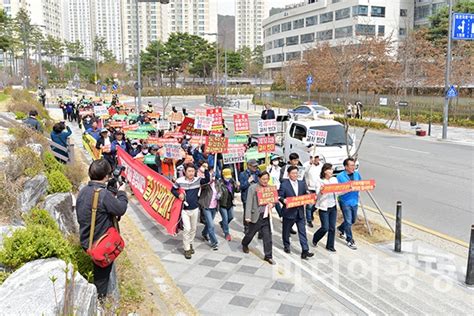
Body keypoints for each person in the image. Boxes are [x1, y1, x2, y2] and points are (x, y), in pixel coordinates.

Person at [76, 159, 128, 300]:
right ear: (106, 176)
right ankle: (100, 304)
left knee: (99, 272)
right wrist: (122, 193)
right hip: (100, 244)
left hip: (87, 239)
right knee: (101, 279)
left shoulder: (83, 191)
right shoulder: (103, 195)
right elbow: (120, 209)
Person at [172, 163, 210, 259]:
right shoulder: (179, 181)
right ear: (185, 171)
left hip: (195, 208)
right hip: (184, 209)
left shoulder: (198, 180)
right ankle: (187, 249)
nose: (191, 173)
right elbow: (173, 190)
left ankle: (190, 243)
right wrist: (178, 195)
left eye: (193, 171)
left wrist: (205, 169)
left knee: (193, 229)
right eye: (189, 171)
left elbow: (207, 180)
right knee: (187, 229)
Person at [279, 166, 314, 259]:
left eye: (296, 173)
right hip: (289, 212)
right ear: (288, 174)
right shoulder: (284, 184)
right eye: (293, 173)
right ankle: (286, 245)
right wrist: (284, 200)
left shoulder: (302, 183)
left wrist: (309, 197)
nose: (295, 175)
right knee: (286, 230)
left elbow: (305, 194)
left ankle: (305, 250)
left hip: (300, 212)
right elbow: (280, 196)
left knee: (302, 231)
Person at [241, 171, 275, 265]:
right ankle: (244, 243)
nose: (265, 181)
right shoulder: (253, 188)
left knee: (267, 237)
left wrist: (272, 205)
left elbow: (274, 200)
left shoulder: (270, 188)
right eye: (263, 179)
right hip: (256, 215)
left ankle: (268, 256)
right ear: (259, 178)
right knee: (250, 234)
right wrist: (247, 216)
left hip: (266, 215)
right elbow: (249, 203)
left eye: (267, 179)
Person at [312, 163, 338, 252]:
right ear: (325, 171)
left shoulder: (334, 180)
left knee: (332, 227)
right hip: (324, 207)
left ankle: (330, 245)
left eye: (332, 169)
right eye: (329, 169)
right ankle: (315, 238)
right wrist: (321, 192)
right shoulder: (319, 181)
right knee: (325, 227)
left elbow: (338, 191)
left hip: (333, 206)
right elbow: (317, 195)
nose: (331, 171)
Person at [337, 158, 362, 250]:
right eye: (351, 165)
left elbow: (361, 184)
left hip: (354, 201)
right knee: (348, 220)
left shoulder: (356, 174)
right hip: (345, 201)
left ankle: (340, 229)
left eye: (354, 165)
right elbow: (338, 191)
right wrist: (348, 189)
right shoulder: (340, 176)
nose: (353, 167)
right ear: (346, 167)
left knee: (352, 220)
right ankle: (350, 240)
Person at [199, 168, 219, 250]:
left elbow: (220, 190)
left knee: (209, 223)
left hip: (214, 207)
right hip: (206, 207)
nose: (212, 174)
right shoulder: (205, 184)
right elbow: (202, 186)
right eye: (210, 173)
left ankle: (204, 233)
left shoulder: (217, 183)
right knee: (211, 225)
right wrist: (209, 181)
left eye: (213, 173)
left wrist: (220, 195)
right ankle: (214, 242)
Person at [238, 159, 261, 232]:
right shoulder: (243, 174)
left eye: (256, 166)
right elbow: (241, 187)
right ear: (249, 166)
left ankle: (257, 227)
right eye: (254, 166)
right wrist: (248, 181)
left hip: (257, 195)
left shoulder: (258, 173)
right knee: (247, 212)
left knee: (258, 211)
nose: (255, 168)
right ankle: (246, 227)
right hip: (247, 196)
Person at [217, 168, 238, 241]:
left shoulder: (232, 181)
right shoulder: (219, 183)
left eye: (229, 177)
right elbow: (217, 192)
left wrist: (237, 186)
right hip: (222, 204)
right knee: (225, 219)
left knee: (231, 217)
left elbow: (237, 190)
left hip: (230, 203)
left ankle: (222, 223)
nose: (228, 179)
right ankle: (227, 233)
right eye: (226, 177)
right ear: (223, 176)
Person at [304, 155, 322, 227]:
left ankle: (311, 212)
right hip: (309, 187)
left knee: (317, 204)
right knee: (309, 205)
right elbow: (304, 172)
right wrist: (310, 164)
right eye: (314, 157)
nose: (316, 159)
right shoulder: (307, 164)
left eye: (317, 158)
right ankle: (309, 220)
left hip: (318, 188)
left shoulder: (321, 165)